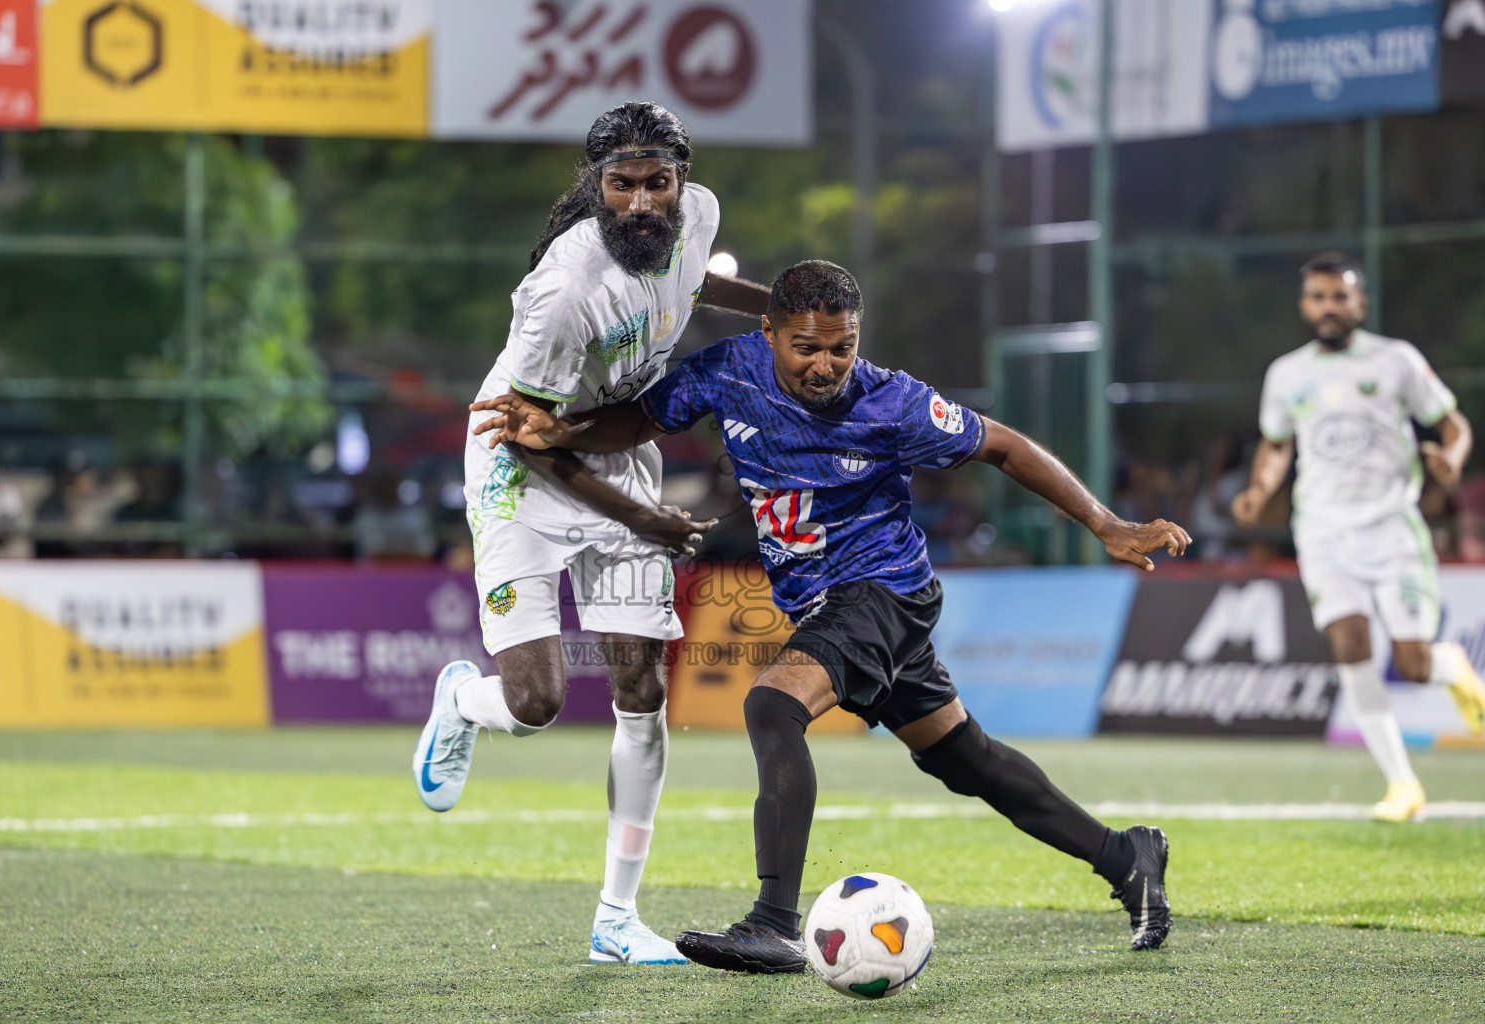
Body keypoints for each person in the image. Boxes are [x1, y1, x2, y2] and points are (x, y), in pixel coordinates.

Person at [471, 260, 1189, 972]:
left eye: (841, 347)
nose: (825, 365)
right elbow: (641, 417)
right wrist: (563, 432)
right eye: (805, 348)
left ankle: (774, 922)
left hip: (884, 593)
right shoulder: (727, 371)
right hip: (828, 606)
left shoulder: (893, 402)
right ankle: (1125, 856)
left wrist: (1105, 523)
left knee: (772, 704)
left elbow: (1001, 445)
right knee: (965, 759)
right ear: (769, 332)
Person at [413, 101, 771, 965]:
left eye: (659, 182)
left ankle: (616, 918)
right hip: (520, 464)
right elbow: (533, 437)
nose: (644, 201)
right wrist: (644, 520)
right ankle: (462, 700)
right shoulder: (563, 289)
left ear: (681, 180)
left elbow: (696, 282)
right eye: (623, 184)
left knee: (641, 687)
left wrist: (782, 315)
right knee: (535, 704)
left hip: (614, 447)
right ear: (595, 186)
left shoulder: (702, 215)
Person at [1234, 254, 1485, 823]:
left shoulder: (1395, 360)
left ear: (1360, 303)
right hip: (1321, 532)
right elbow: (1276, 444)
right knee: (1350, 643)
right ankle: (1403, 786)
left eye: (1339, 297)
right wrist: (1258, 489)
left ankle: (1452, 668)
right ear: (1305, 306)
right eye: (1318, 297)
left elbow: (1454, 424)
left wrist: (1450, 459)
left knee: (1414, 663)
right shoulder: (1286, 374)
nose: (1329, 307)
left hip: (1392, 529)